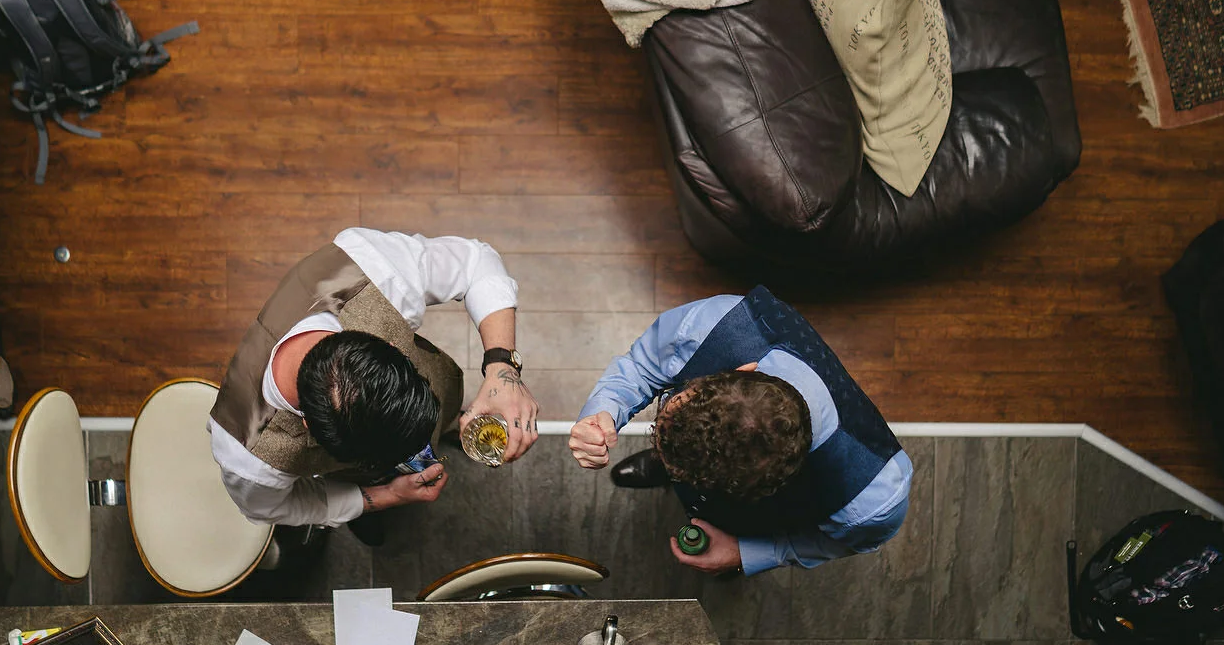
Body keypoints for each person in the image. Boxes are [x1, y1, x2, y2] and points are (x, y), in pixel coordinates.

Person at [209, 228, 538, 545]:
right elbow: (273, 508)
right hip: (362, 476)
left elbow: (476, 261)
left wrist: (501, 367)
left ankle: (449, 424)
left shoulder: (368, 266)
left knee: (447, 417)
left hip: (441, 395)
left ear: (390, 348)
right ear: (308, 425)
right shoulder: (246, 457)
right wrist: (383, 497)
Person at [568, 286, 911, 576]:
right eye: (663, 423)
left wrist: (745, 553)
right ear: (744, 370)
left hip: (765, 516)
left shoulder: (871, 500)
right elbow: (641, 367)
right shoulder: (715, 325)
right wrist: (604, 412)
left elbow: (841, 542)